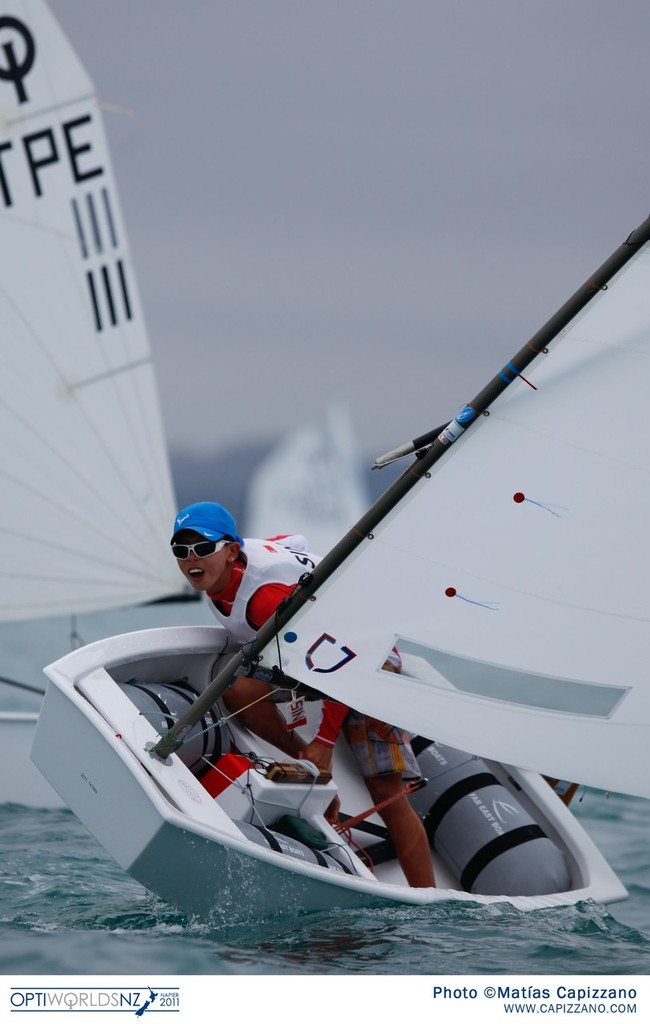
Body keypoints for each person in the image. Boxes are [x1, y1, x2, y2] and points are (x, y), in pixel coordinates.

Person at [171, 501, 435, 888]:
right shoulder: (229, 574)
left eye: (203, 548)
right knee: (238, 688)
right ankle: (306, 765)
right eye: (181, 551)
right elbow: (294, 543)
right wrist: (310, 752)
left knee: (387, 793)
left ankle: (426, 899)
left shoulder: (263, 599)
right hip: (314, 654)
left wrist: (325, 741)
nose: (192, 559)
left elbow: (347, 659)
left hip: (368, 657)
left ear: (231, 550)